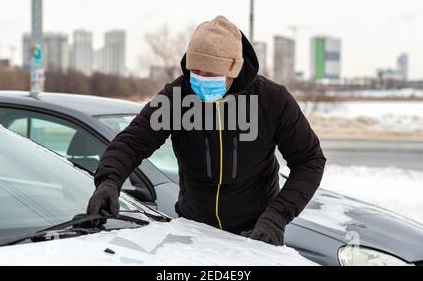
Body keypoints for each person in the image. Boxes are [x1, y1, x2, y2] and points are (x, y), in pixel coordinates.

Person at [87, 15, 326, 246]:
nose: (201, 79)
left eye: (211, 74)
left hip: (255, 236)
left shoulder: (271, 100)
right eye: (196, 72)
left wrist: (277, 216)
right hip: (193, 234)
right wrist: (109, 181)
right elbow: (132, 143)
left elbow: (309, 160)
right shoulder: (176, 98)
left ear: (234, 68)